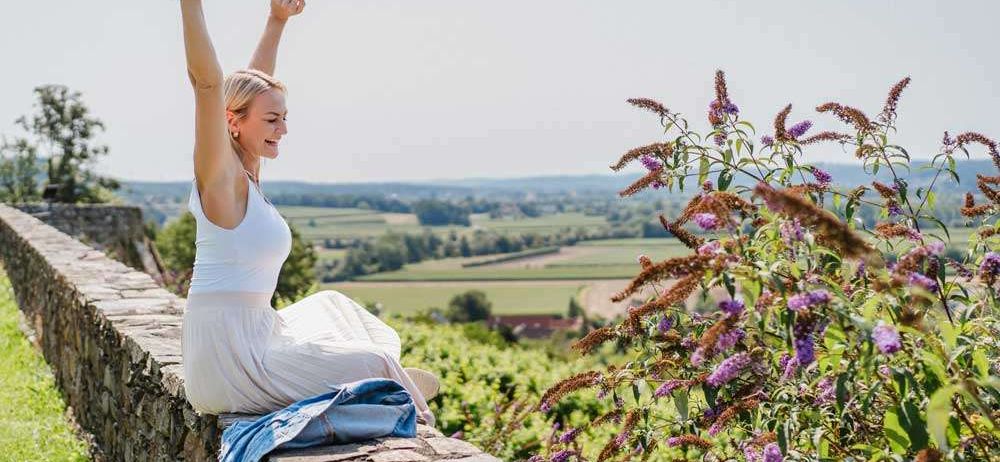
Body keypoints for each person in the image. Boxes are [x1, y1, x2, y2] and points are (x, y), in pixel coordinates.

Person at [178, 0, 438, 427]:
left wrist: (276, 21)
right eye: (273, 120)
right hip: (229, 359)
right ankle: (390, 388)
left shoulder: (248, 173)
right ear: (233, 121)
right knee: (374, 359)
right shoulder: (222, 183)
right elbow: (209, 85)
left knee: (332, 307)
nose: (283, 129)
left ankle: (376, 381)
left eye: (284, 117)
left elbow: (251, 87)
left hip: (254, 333)